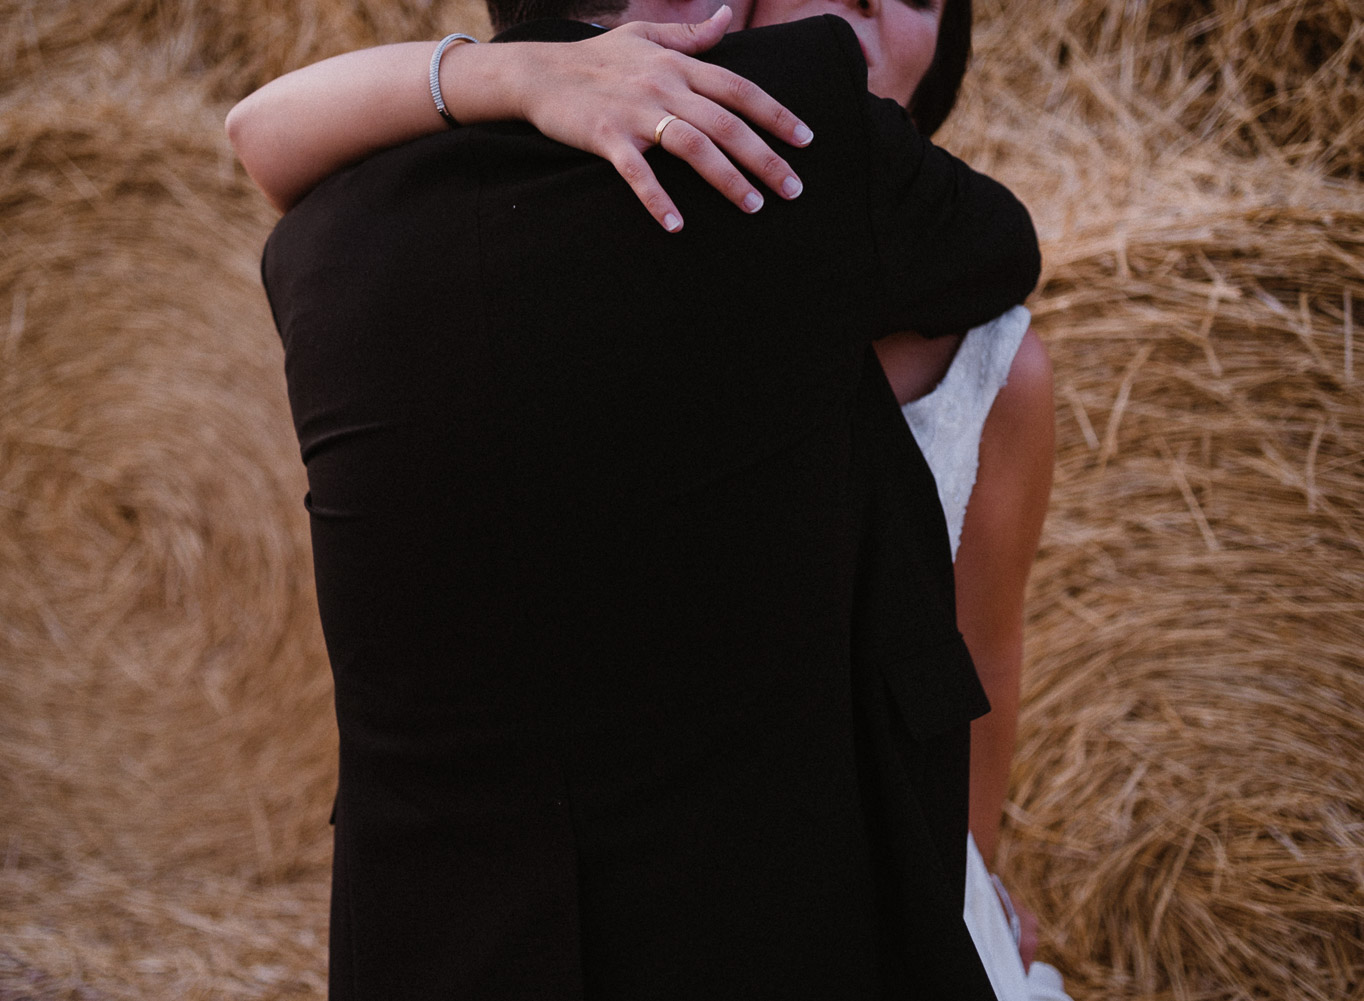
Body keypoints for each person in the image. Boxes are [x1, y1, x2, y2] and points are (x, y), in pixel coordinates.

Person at [241, 0, 1042, 996]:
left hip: (424, 942)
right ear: (708, 14)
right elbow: (1006, 244)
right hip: (769, 926)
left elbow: (254, 133)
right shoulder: (805, 128)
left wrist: (506, 77)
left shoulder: (326, 225)